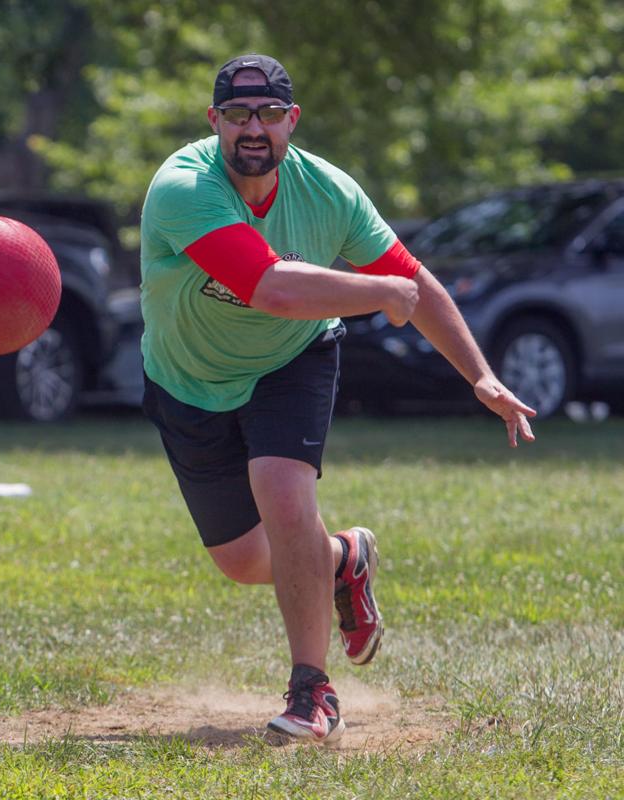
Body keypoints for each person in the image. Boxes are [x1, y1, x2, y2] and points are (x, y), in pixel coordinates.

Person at [139, 54, 537, 745]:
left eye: (269, 114)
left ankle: (311, 692)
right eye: (237, 115)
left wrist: (480, 375)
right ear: (214, 122)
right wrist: (380, 293)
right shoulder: (184, 187)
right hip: (188, 381)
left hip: (292, 359)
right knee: (242, 560)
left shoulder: (329, 192)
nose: (253, 128)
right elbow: (272, 288)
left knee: (283, 493)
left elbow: (413, 279)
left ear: (292, 120)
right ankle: (342, 559)